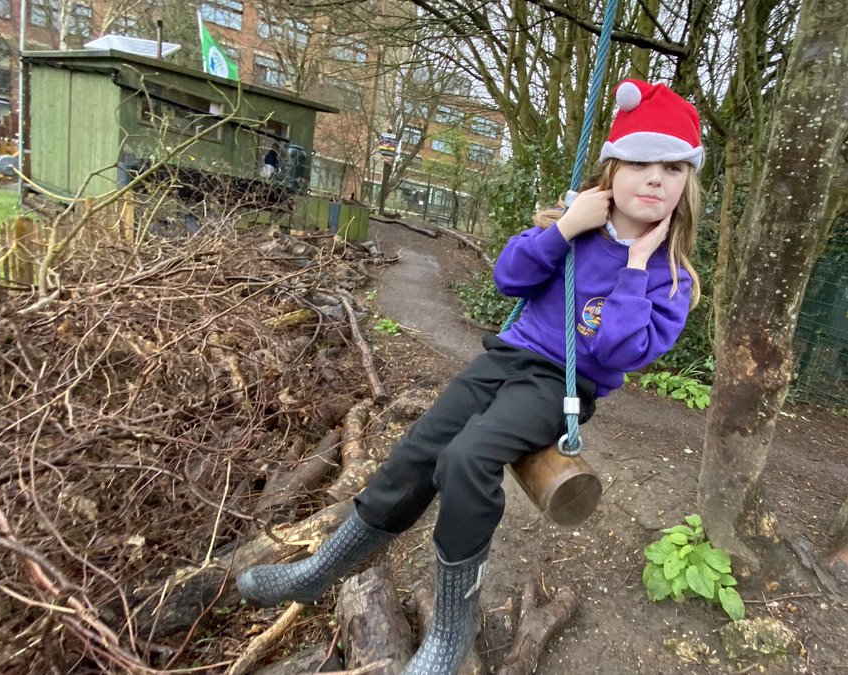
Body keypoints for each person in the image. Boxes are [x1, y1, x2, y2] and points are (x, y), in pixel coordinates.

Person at [235, 79, 704, 674]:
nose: (655, 177)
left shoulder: (669, 279)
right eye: (640, 162)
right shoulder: (577, 226)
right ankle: (323, 568)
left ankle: (454, 623)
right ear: (614, 168)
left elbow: (617, 351)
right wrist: (565, 227)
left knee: (467, 459)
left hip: (559, 386)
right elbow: (509, 278)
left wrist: (635, 266)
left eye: (672, 167)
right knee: (419, 449)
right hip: (505, 358)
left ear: (686, 183)